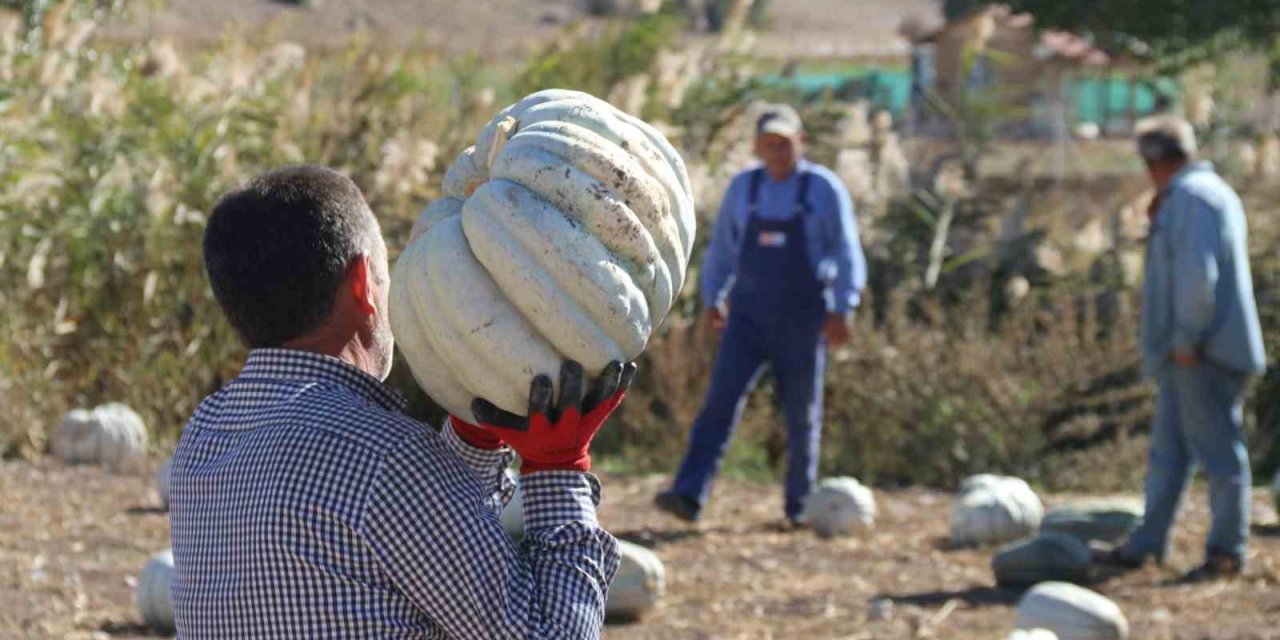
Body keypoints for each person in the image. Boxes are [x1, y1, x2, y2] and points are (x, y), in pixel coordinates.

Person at [171, 165, 634, 638]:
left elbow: (391, 551)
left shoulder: (204, 438)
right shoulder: (386, 460)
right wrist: (559, 469)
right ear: (361, 284)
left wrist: (475, 441)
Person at [655, 104, 867, 525]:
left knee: (801, 415)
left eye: (784, 142)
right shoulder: (743, 189)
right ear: (757, 146)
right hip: (747, 319)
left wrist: (844, 307)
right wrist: (712, 298)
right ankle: (689, 493)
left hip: (804, 319)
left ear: (800, 142)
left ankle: (799, 506)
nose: (777, 150)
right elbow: (722, 252)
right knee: (719, 405)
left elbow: (846, 250)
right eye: (768, 143)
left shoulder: (823, 189)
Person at [1098, 116, 1266, 581]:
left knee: (1219, 454)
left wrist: (1188, 340)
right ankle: (1147, 543)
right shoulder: (1196, 195)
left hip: (1203, 353)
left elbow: (1198, 280)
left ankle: (1226, 552)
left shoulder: (1194, 199)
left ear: (1154, 162)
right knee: (1168, 452)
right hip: (1187, 353)